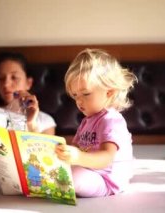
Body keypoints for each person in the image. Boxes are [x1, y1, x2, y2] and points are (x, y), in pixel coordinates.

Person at [55, 48, 137, 197]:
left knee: (73, 177)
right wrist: (63, 152)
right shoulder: (87, 121)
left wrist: (78, 157)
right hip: (89, 170)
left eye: (86, 93)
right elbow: (77, 147)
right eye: (75, 95)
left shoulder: (112, 120)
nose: (79, 101)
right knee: (57, 169)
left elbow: (106, 158)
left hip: (107, 179)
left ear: (109, 92)